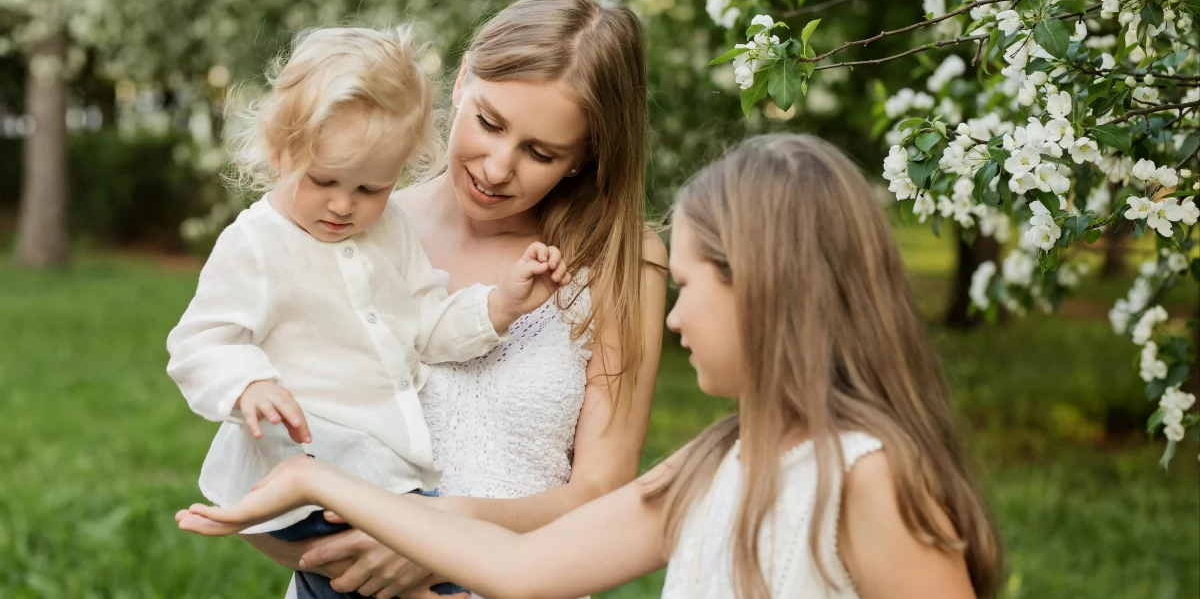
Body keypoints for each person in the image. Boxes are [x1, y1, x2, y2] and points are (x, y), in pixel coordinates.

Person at [178, 133, 1005, 598]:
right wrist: (319, 482)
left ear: (769, 291)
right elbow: (526, 568)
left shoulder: (868, 477)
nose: (673, 317)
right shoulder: (722, 458)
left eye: (688, 287)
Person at [234, 0, 668, 598]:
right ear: (462, 79)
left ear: (586, 155)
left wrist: (435, 537)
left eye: (541, 152)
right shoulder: (348, 230)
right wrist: (374, 561)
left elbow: (603, 493)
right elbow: (266, 462)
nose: (496, 167)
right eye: (489, 122)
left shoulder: (621, 259)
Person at [166, 24, 570, 599]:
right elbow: (200, 342)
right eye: (324, 179)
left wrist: (500, 306)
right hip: (303, 474)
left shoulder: (390, 230)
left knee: (440, 567)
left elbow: (428, 326)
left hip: (388, 477)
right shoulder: (256, 242)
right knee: (413, 574)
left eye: (371, 188)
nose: (343, 204)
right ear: (280, 147)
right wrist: (246, 382)